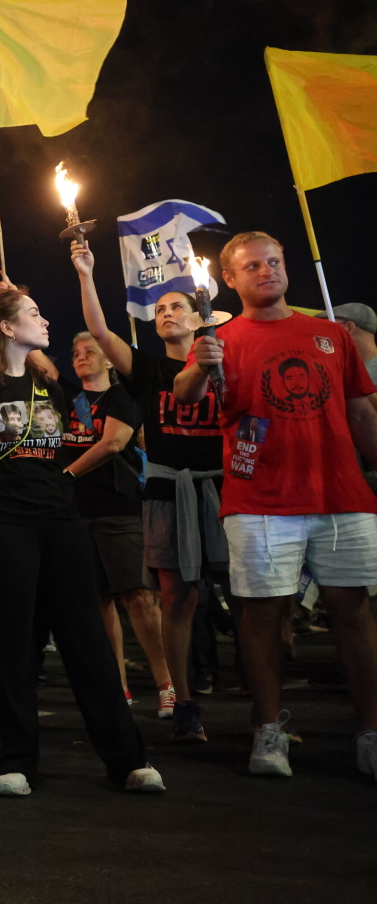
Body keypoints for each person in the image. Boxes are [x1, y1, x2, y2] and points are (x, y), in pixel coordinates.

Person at [0, 288, 164, 797]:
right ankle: (16, 759)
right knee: (11, 644)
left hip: (61, 522)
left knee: (88, 639)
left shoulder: (51, 389)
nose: (45, 321)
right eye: (33, 314)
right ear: (7, 329)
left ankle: (127, 759)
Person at [176, 232, 377, 779]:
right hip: (260, 499)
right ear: (231, 280)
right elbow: (186, 394)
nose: (267, 271)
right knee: (262, 615)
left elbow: (361, 414)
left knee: (353, 612)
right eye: (252, 266)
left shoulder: (331, 334)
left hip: (341, 495)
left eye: (274, 262)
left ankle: (370, 731)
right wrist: (200, 361)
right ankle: (268, 730)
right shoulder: (219, 338)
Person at [73, 237, 226, 742]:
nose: (165, 314)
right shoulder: (146, 370)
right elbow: (99, 329)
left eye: (176, 306)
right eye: (159, 308)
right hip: (165, 490)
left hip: (224, 489)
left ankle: (265, 712)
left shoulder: (227, 356)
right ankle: (182, 702)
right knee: (175, 598)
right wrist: (86, 273)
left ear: (201, 313)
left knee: (252, 598)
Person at [61, 333, 174, 710]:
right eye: (75, 353)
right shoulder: (66, 400)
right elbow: (38, 363)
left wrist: (65, 474)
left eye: (89, 351)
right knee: (98, 603)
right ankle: (118, 688)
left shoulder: (121, 398)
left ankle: (167, 684)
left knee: (139, 598)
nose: (80, 357)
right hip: (78, 513)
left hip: (118, 509)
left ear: (109, 360)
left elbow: (112, 443)